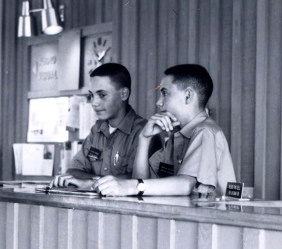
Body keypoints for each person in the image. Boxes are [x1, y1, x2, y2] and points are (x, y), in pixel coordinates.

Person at [96, 63, 236, 198]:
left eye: (165, 93)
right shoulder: (177, 136)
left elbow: (185, 184)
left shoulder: (205, 132)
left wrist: (130, 186)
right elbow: (143, 181)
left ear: (188, 96)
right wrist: (144, 138)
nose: (159, 102)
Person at [51, 62, 146, 189]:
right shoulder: (96, 130)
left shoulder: (143, 132)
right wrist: (94, 181)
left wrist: (89, 182)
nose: (94, 103)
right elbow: (73, 171)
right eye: (92, 95)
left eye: (102, 95)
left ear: (124, 94)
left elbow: (140, 181)